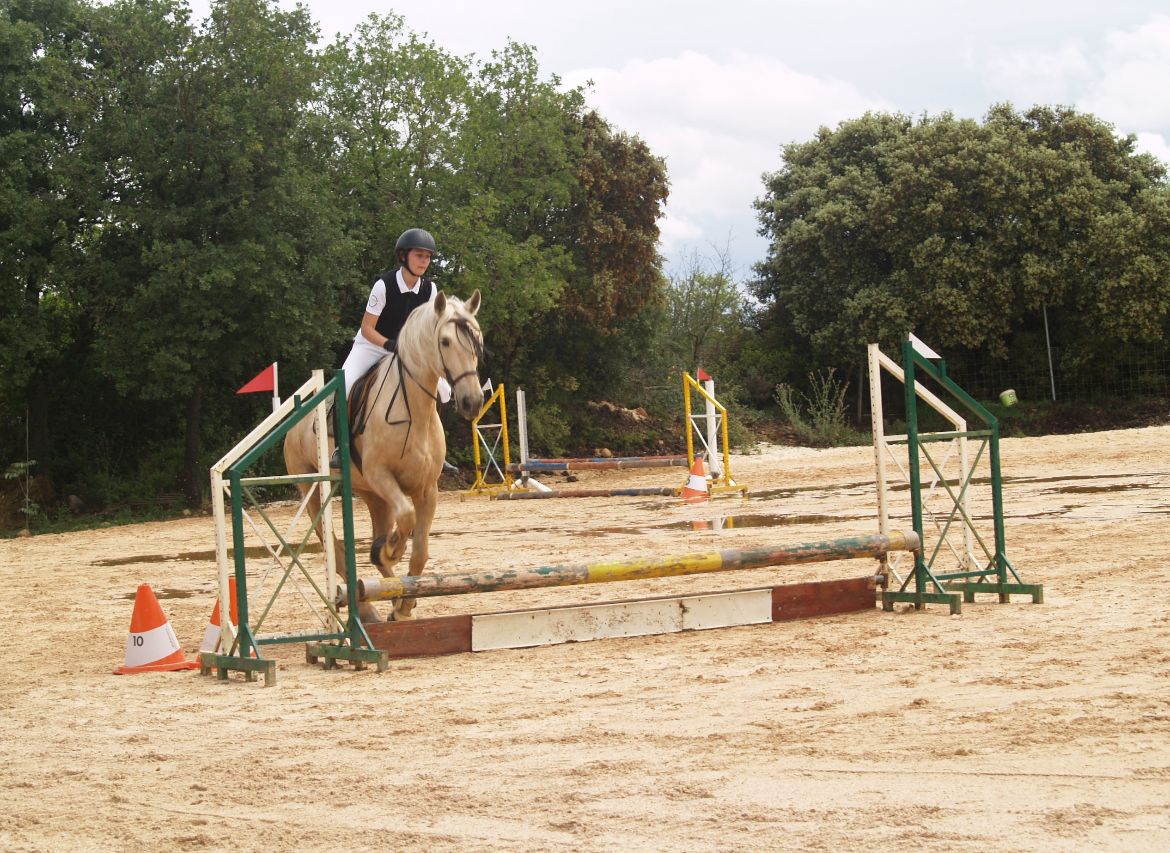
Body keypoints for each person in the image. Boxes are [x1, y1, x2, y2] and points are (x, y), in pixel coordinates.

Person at [330, 227, 452, 468]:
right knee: (344, 386)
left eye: (427, 257)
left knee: (445, 391)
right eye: (419, 255)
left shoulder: (430, 290)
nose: (424, 261)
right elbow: (367, 328)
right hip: (372, 345)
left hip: (407, 351)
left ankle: (435, 448)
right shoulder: (383, 285)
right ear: (403, 256)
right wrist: (389, 344)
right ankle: (341, 447)